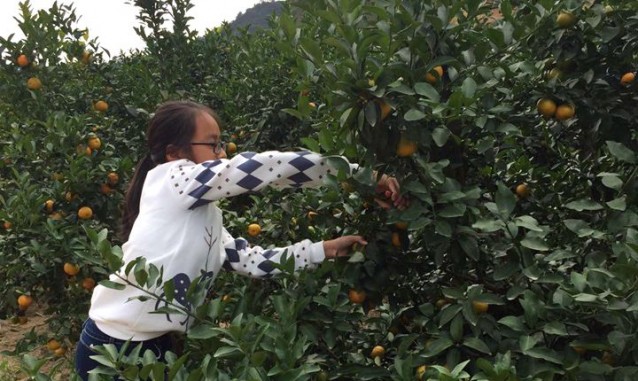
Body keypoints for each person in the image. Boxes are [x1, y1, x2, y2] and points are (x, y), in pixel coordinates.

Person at [74, 100, 407, 379]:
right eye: (214, 144)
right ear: (175, 153)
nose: (222, 152)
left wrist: (324, 249)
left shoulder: (203, 217)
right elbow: (257, 169)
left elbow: (251, 260)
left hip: (153, 346)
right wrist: (355, 175)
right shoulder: (170, 178)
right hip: (111, 347)